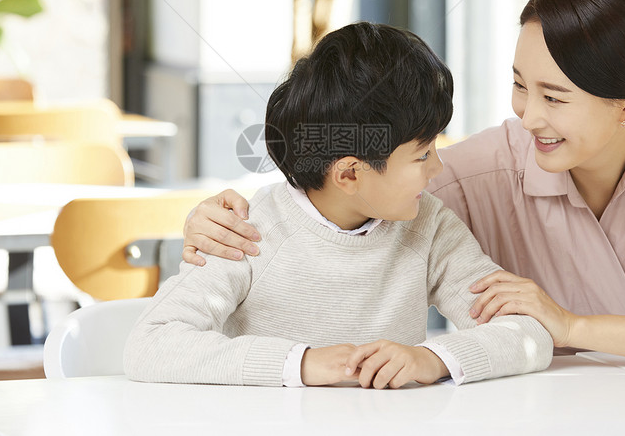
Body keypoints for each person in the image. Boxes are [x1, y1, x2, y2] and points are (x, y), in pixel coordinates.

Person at [182, 0, 625, 375]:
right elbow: (348, 195)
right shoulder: (483, 173)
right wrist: (221, 222)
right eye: (520, 85)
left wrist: (572, 327)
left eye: (555, 96)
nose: (529, 114)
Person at [124, 22, 552, 389]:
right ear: (349, 174)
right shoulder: (247, 233)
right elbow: (152, 344)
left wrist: (432, 359)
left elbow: (528, 332)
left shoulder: (430, 226)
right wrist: (302, 363)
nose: (438, 167)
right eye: (422, 155)